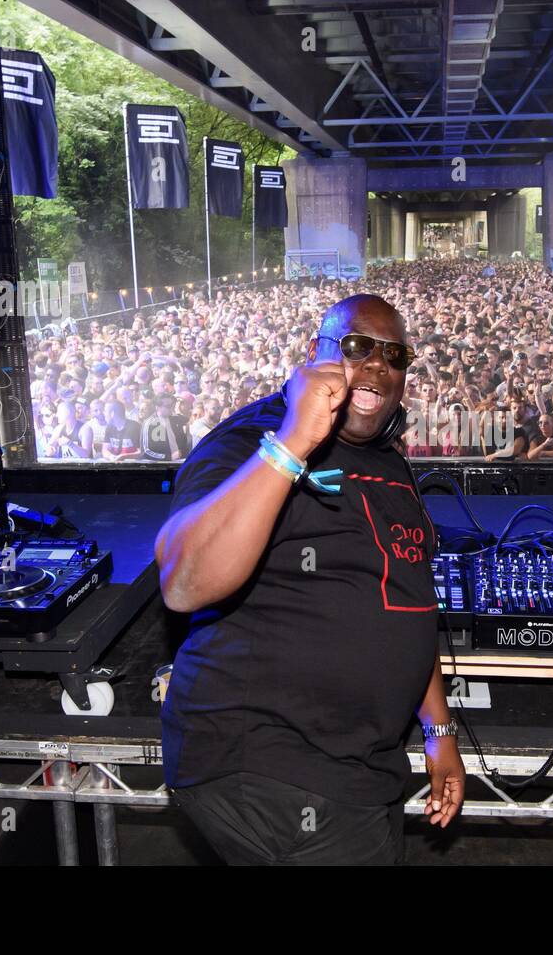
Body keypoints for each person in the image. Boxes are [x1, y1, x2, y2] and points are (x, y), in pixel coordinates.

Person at [156, 293, 464, 865]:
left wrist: (438, 730)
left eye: (395, 356)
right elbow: (184, 582)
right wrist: (293, 442)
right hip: (270, 758)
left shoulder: (389, 462)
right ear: (313, 355)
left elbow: (403, 600)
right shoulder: (251, 441)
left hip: (355, 763)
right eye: (357, 347)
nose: (378, 364)